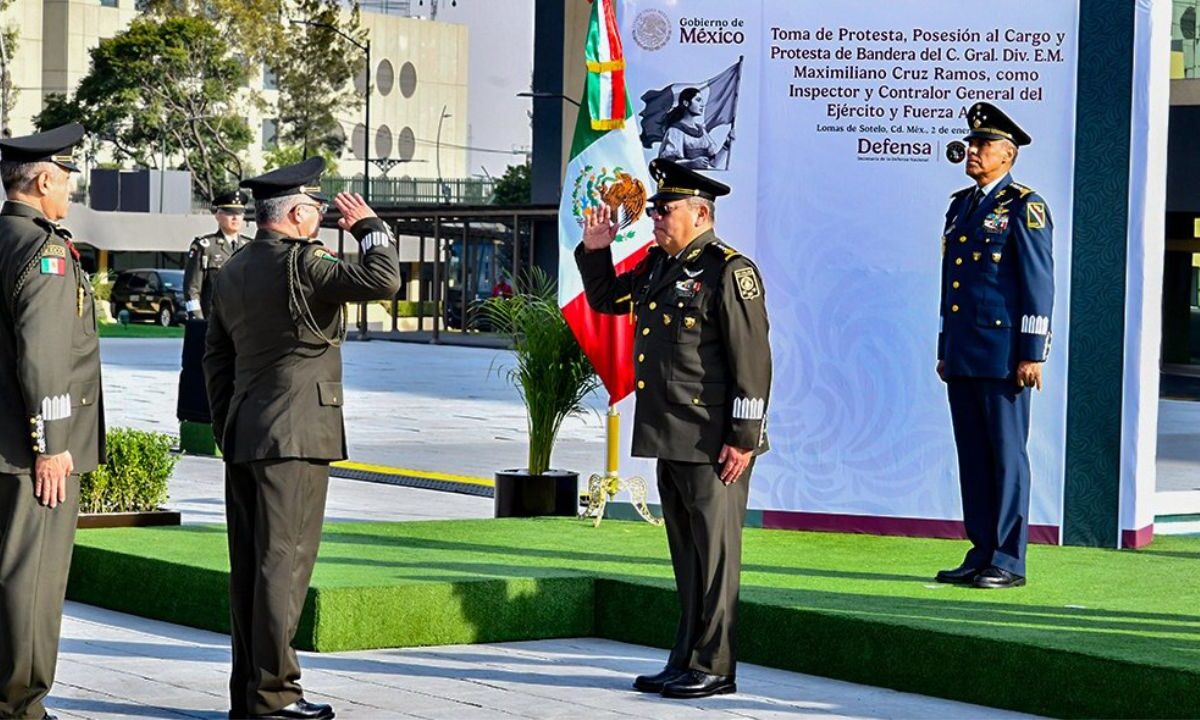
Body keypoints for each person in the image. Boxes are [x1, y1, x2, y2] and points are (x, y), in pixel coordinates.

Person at [203, 157, 400, 720]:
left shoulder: (235, 267)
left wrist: (227, 423)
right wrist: (370, 228)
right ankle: (276, 696)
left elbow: (215, 358)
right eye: (315, 206)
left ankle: (251, 693)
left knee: (252, 567)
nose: (321, 215)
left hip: (246, 431)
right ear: (294, 213)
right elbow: (384, 280)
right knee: (283, 566)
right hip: (295, 436)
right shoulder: (306, 263)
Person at [575, 158, 771, 699]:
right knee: (687, 558)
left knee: (714, 559)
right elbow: (605, 300)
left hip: (713, 441)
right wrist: (596, 251)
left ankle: (715, 665)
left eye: (667, 209)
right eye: (657, 208)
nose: (656, 217)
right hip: (671, 435)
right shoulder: (660, 266)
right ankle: (685, 658)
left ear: (700, 212)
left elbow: (752, 362)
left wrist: (743, 439)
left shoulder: (730, 270)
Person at [0, 123, 105, 720]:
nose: (70, 191)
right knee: (30, 580)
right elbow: (42, 356)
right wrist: (52, 445)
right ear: (42, 180)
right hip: (27, 449)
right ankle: (20, 705)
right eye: (67, 179)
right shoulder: (43, 251)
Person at [935, 102, 1054, 590]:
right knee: (974, 456)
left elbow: (1037, 282)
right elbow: (953, 284)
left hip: (1005, 355)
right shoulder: (960, 204)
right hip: (965, 352)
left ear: (1008, 155)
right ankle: (981, 549)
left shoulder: (1025, 206)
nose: (973, 151)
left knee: (1006, 456)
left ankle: (1008, 558)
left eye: (984, 145)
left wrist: (1032, 352)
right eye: (973, 142)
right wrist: (946, 345)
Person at [184, 189, 252, 320]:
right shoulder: (205, 247)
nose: (235, 217)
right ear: (217, 215)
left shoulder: (249, 247)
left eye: (239, 213)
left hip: (242, 322)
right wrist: (197, 319)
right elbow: (192, 289)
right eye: (230, 213)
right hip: (214, 320)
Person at [657, 87, 732, 171]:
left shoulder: (701, 130)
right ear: (686, 103)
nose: (702, 104)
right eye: (698, 100)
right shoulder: (675, 130)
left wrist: (726, 144)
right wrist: (691, 163)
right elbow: (668, 163)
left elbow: (714, 163)